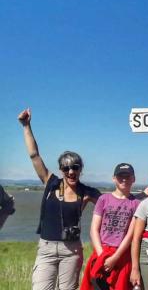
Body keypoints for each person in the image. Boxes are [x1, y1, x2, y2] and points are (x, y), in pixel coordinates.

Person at [18, 108, 101, 290]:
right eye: (66, 168)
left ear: (81, 169)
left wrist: (143, 195)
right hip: (46, 249)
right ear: (61, 170)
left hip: (71, 250)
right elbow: (34, 155)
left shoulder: (87, 192)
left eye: (75, 167)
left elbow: (113, 202)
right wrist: (26, 126)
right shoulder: (51, 183)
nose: (71, 172)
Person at [81, 163, 141, 290]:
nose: (124, 179)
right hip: (101, 251)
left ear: (133, 179)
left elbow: (130, 235)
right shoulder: (103, 199)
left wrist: (115, 257)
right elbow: (94, 229)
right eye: (120, 176)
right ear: (114, 178)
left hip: (122, 254)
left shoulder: (136, 204)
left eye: (128, 176)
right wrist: (101, 255)